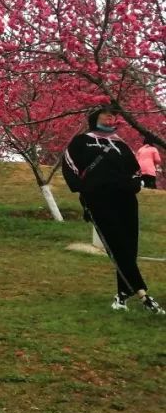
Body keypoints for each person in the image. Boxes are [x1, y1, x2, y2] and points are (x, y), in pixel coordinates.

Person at [62, 107, 164, 314]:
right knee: (116, 243)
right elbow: (69, 164)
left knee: (129, 244)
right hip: (98, 198)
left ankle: (123, 295)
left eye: (113, 116)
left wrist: (134, 184)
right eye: (106, 114)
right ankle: (143, 294)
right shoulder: (82, 141)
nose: (111, 118)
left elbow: (135, 169)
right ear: (95, 118)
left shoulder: (119, 144)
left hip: (125, 198)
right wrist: (84, 188)